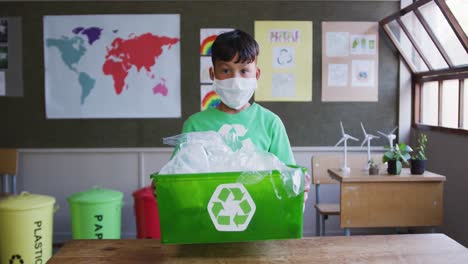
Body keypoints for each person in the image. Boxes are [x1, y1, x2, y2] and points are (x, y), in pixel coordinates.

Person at [182, 29, 310, 203]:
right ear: (213, 74)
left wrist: (300, 184)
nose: (235, 80)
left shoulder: (270, 123)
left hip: (262, 217)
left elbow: (286, 175)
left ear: (256, 74)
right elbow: (180, 179)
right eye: (226, 71)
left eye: (244, 71)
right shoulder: (195, 125)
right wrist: (162, 187)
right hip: (209, 218)